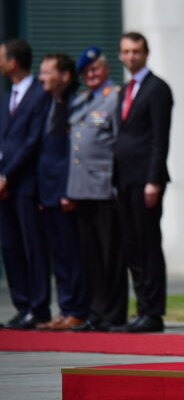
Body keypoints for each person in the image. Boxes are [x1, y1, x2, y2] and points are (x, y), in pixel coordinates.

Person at [111, 32, 174, 333]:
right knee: (132, 247)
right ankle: (142, 308)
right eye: (126, 51)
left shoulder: (157, 88)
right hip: (124, 179)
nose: (131, 56)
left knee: (148, 244)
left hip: (145, 180)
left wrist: (153, 180)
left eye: (136, 51)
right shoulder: (125, 90)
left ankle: (153, 312)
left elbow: (160, 139)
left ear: (146, 53)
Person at [68, 46, 128, 332]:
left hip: (104, 186)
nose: (91, 75)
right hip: (82, 188)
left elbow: (118, 143)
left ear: (105, 69)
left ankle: (113, 313)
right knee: (89, 254)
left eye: (95, 69)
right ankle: (95, 311)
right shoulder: (81, 100)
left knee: (109, 253)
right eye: (86, 72)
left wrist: (117, 182)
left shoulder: (114, 97)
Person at [0, 39, 51, 329]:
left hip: (26, 184)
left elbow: (32, 141)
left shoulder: (39, 95)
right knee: (10, 246)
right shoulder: (6, 96)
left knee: (33, 246)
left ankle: (38, 307)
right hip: (4, 187)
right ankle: (22, 305)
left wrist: (7, 175)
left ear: (14, 61)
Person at [36, 53, 88, 330]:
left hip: (66, 190)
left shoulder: (74, 104)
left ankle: (77, 308)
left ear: (65, 76)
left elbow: (73, 153)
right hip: (47, 190)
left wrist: (70, 189)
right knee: (57, 253)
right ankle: (66, 307)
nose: (42, 78)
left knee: (71, 253)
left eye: (47, 72)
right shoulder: (47, 104)